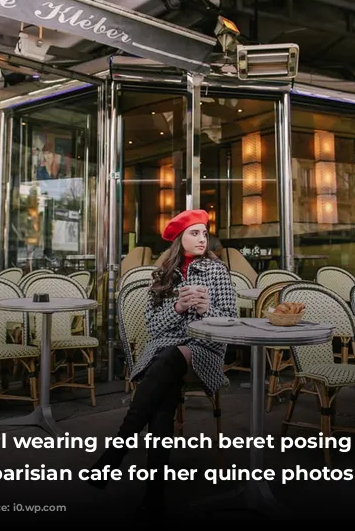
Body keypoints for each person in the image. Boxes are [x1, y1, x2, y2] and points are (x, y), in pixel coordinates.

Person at [87, 208, 237, 514]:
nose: (201, 239)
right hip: (166, 352)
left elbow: (230, 324)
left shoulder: (218, 271)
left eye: (204, 233)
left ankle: (116, 452)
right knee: (164, 393)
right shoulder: (162, 276)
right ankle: (154, 494)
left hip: (204, 351)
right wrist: (179, 307)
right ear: (180, 239)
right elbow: (153, 326)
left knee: (168, 360)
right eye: (194, 233)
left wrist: (208, 310)